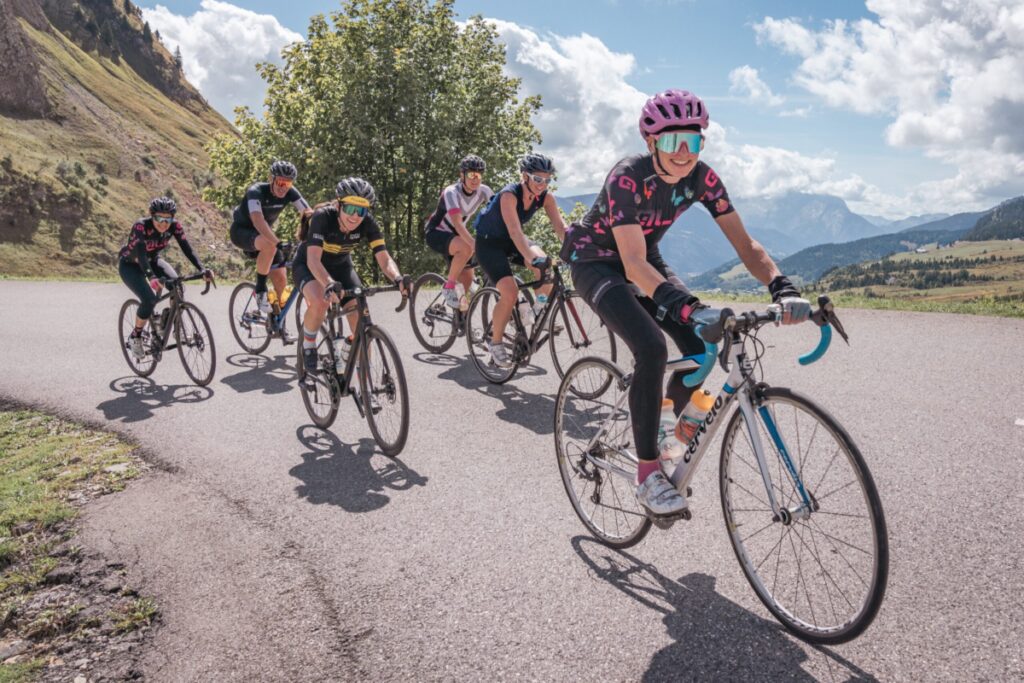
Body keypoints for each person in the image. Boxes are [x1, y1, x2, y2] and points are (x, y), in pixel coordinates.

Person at [561, 89, 811, 517]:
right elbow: (633, 263)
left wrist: (781, 286)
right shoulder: (627, 177)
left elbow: (746, 246)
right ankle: (647, 475)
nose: (683, 152)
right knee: (651, 347)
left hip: (644, 256)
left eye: (692, 141)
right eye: (672, 140)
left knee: (701, 347)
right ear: (651, 141)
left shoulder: (703, 179)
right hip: (596, 261)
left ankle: (667, 438)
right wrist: (686, 305)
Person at [293, 177, 410, 379]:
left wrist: (398, 279)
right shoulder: (323, 217)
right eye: (350, 209)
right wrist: (328, 283)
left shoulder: (368, 224)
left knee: (361, 323)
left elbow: (384, 258)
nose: (356, 216)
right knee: (320, 302)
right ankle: (309, 343)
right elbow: (313, 260)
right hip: (310, 265)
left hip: (341, 267)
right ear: (339, 205)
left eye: (362, 211)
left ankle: (365, 383)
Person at [472, 153, 566, 368]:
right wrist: (531, 260)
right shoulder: (509, 195)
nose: (543, 185)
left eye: (547, 180)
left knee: (547, 270)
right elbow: (515, 232)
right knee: (510, 292)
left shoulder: (546, 198)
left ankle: (536, 312)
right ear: (525, 176)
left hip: (513, 241)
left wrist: (578, 248)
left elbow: (561, 228)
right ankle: (495, 344)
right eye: (538, 179)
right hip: (489, 244)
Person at [118, 197, 214, 358]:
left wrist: (203, 269)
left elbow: (187, 249)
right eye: (159, 218)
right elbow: (141, 253)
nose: (163, 223)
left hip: (153, 261)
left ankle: (171, 324)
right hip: (131, 266)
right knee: (149, 299)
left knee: (178, 286)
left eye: (167, 219)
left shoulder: (175, 226)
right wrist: (151, 277)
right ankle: (136, 336)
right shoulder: (140, 226)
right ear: (152, 216)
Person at [229, 160, 313, 322]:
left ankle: (276, 322)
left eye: (287, 183)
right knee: (270, 244)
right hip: (242, 232)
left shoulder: (290, 192)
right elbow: (258, 220)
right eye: (280, 182)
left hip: (265, 235)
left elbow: (308, 213)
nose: (283, 187)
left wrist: (317, 234)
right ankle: (260, 289)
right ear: (271, 179)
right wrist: (278, 243)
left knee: (281, 279)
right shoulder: (256, 191)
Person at [423, 154, 493, 310]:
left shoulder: (484, 191)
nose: (475, 179)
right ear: (462, 175)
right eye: (471, 174)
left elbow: (498, 214)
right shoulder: (451, 192)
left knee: (467, 280)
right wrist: (474, 244)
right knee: (467, 248)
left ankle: (460, 317)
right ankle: (448, 287)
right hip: (436, 233)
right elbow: (458, 224)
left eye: (479, 174)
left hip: (457, 237)